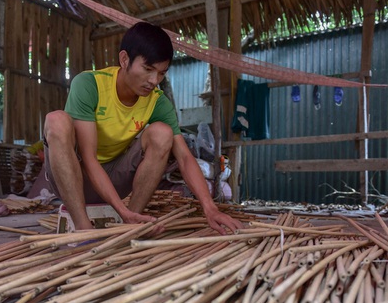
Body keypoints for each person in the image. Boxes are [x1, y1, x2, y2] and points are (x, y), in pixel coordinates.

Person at [42, 21, 242, 235]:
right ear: (124, 59)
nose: (154, 80)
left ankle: (130, 222)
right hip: (74, 178)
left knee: (163, 133)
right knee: (56, 120)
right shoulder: (90, 85)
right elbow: (89, 159)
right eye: (148, 69)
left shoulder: (157, 102)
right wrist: (120, 209)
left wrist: (210, 208)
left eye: (161, 73)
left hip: (114, 179)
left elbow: (184, 157)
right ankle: (83, 227)